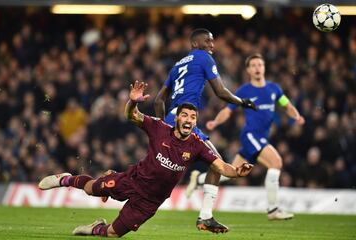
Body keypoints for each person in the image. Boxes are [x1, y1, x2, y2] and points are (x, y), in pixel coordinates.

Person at [38, 81, 253, 238]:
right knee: (90, 189)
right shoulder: (160, 128)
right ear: (177, 117)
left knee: (113, 233)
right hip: (134, 179)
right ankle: (64, 179)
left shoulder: (198, 145)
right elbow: (132, 116)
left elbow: (221, 167)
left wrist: (236, 171)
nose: (189, 120)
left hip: (150, 201)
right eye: (185, 116)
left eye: (193, 117)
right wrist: (132, 103)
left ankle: (95, 228)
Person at [154, 28, 256, 233]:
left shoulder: (176, 65)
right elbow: (221, 92)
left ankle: (113, 183)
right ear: (195, 44)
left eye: (213, 41)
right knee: (216, 163)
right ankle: (206, 217)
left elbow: (158, 100)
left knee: (157, 172)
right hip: (186, 122)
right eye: (208, 41)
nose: (212, 45)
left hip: (172, 121)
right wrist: (242, 102)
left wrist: (162, 127)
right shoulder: (204, 59)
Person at [186, 53, 305, 222]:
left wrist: (297, 116)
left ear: (264, 68)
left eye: (260, 65)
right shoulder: (244, 91)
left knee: (230, 172)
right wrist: (215, 122)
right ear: (249, 70)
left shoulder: (275, 89)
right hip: (250, 135)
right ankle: (273, 209)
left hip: (261, 137)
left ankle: (197, 178)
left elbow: (287, 105)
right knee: (276, 162)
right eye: (254, 65)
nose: (257, 68)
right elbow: (228, 110)